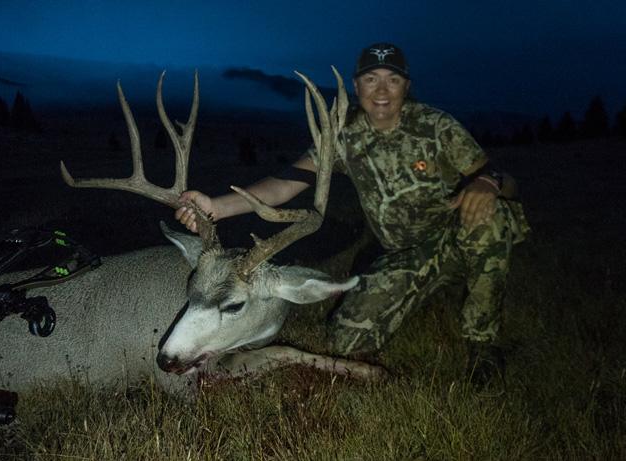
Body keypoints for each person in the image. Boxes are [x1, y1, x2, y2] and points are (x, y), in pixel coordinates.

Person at [175, 43, 530, 380]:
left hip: (456, 239)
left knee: (492, 218)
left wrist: (490, 183)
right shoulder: (344, 139)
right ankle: (418, 289)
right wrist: (216, 207)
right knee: (344, 342)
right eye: (371, 79)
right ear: (357, 85)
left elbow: (503, 180)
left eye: (393, 79)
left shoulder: (436, 126)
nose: (382, 90)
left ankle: (483, 343)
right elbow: (285, 184)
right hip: (403, 255)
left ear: (407, 86)